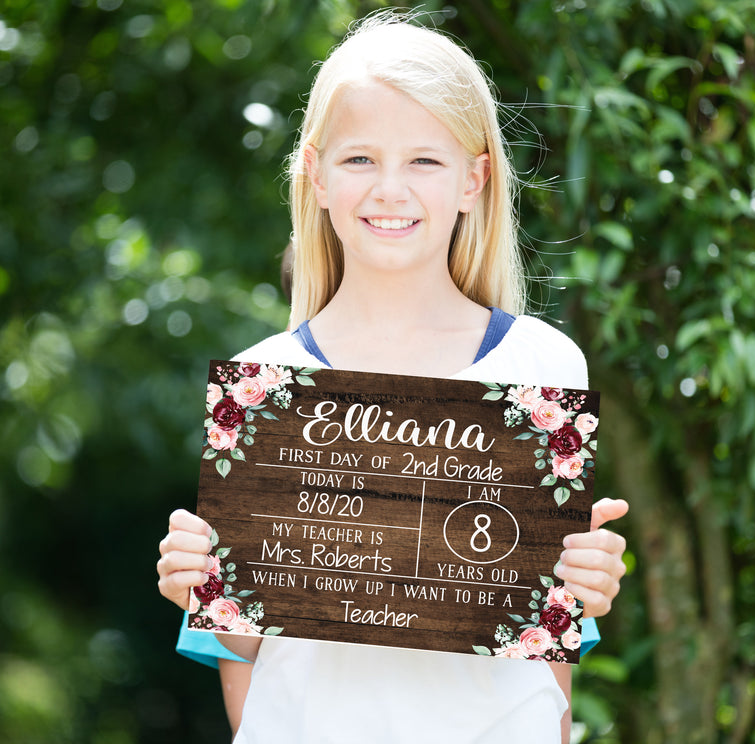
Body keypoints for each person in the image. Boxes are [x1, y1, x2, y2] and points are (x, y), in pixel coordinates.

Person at [157, 13, 628, 743]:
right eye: (359, 161)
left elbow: (551, 677)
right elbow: (247, 676)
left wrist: (583, 588)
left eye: (424, 162)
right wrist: (205, 584)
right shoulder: (263, 382)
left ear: (475, 180)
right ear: (314, 176)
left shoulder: (544, 366)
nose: (389, 190)